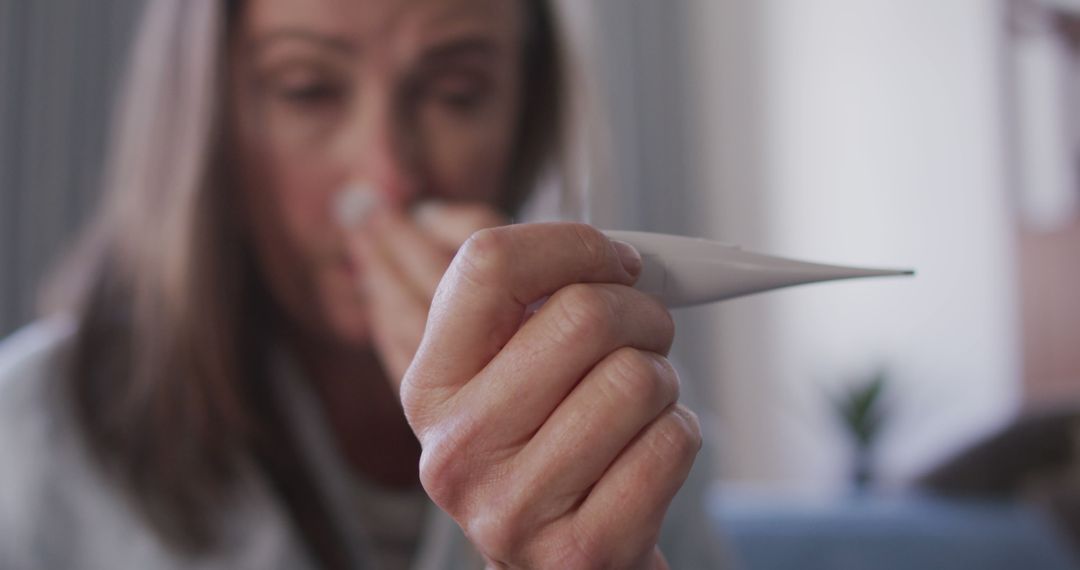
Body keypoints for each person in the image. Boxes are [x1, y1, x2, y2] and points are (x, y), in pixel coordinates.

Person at [0, 0, 725, 568]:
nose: (387, 179)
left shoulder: (620, 404)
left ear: (523, 113)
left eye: (455, 93)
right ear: (212, 119)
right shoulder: (32, 436)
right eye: (307, 91)